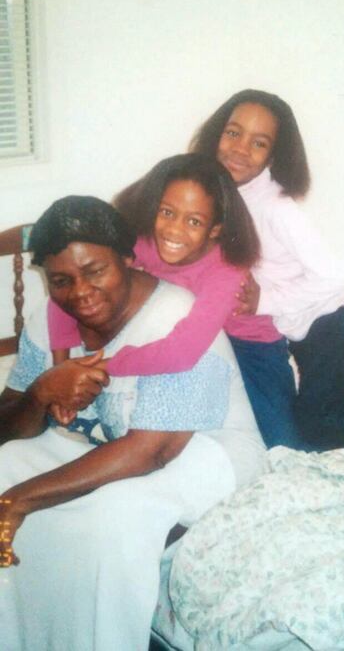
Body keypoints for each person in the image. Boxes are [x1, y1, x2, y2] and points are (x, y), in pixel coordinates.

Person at [0, 195, 265, 651]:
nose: (80, 292)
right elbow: (7, 427)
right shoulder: (52, 321)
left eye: (95, 271)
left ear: (128, 259)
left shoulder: (174, 318)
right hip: (104, 447)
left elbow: (153, 451)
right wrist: (43, 391)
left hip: (202, 452)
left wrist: (19, 501)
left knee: (113, 520)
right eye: (62, 280)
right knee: (5, 463)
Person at [190, 88, 344, 451]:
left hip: (334, 317)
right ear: (216, 133)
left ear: (273, 154)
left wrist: (264, 300)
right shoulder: (221, 193)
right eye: (233, 132)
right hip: (301, 326)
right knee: (320, 411)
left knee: (318, 425)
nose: (240, 148)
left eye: (258, 143)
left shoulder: (276, 207)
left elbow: (336, 277)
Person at [47, 154, 302, 449]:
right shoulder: (143, 244)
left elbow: (180, 354)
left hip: (251, 350)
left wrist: (101, 366)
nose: (174, 230)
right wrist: (60, 371)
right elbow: (67, 284)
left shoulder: (227, 271)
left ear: (215, 229)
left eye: (194, 221)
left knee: (283, 445)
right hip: (196, 341)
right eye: (167, 212)